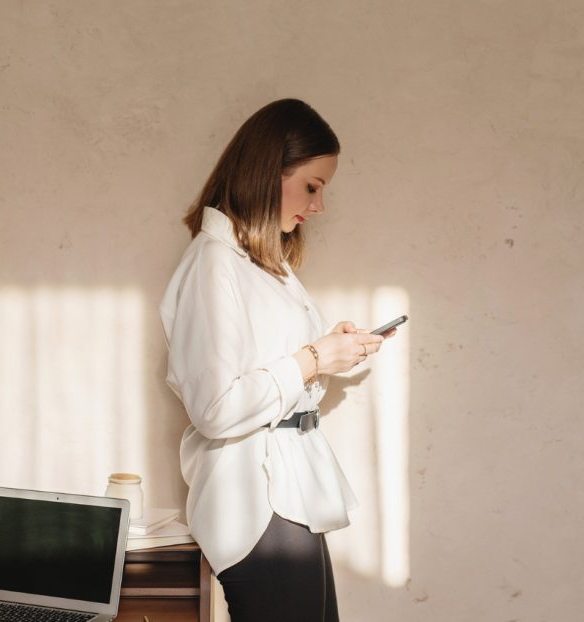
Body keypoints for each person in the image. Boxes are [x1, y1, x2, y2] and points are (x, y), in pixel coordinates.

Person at [159, 99, 394, 622]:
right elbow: (216, 407)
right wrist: (313, 357)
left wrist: (332, 353)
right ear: (268, 174)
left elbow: (276, 375)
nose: (319, 206)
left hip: (288, 493)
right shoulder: (214, 264)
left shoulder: (265, 264)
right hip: (256, 502)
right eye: (312, 185)